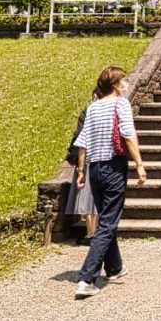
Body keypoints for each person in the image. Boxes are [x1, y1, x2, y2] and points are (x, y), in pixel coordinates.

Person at [73, 66, 146, 299]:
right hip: (114, 166)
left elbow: (83, 141)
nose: (126, 84)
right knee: (108, 222)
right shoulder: (120, 104)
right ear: (116, 84)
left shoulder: (93, 107)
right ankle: (87, 278)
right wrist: (140, 164)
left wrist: (81, 170)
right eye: (123, 80)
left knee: (106, 217)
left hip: (94, 168)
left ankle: (114, 268)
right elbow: (127, 133)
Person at [65, 100, 98, 246]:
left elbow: (80, 140)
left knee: (88, 199)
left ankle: (91, 234)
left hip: (89, 160)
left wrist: (80, 169)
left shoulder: (89, 113)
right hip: (102, 160)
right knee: (94, 200)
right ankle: (94, 232)